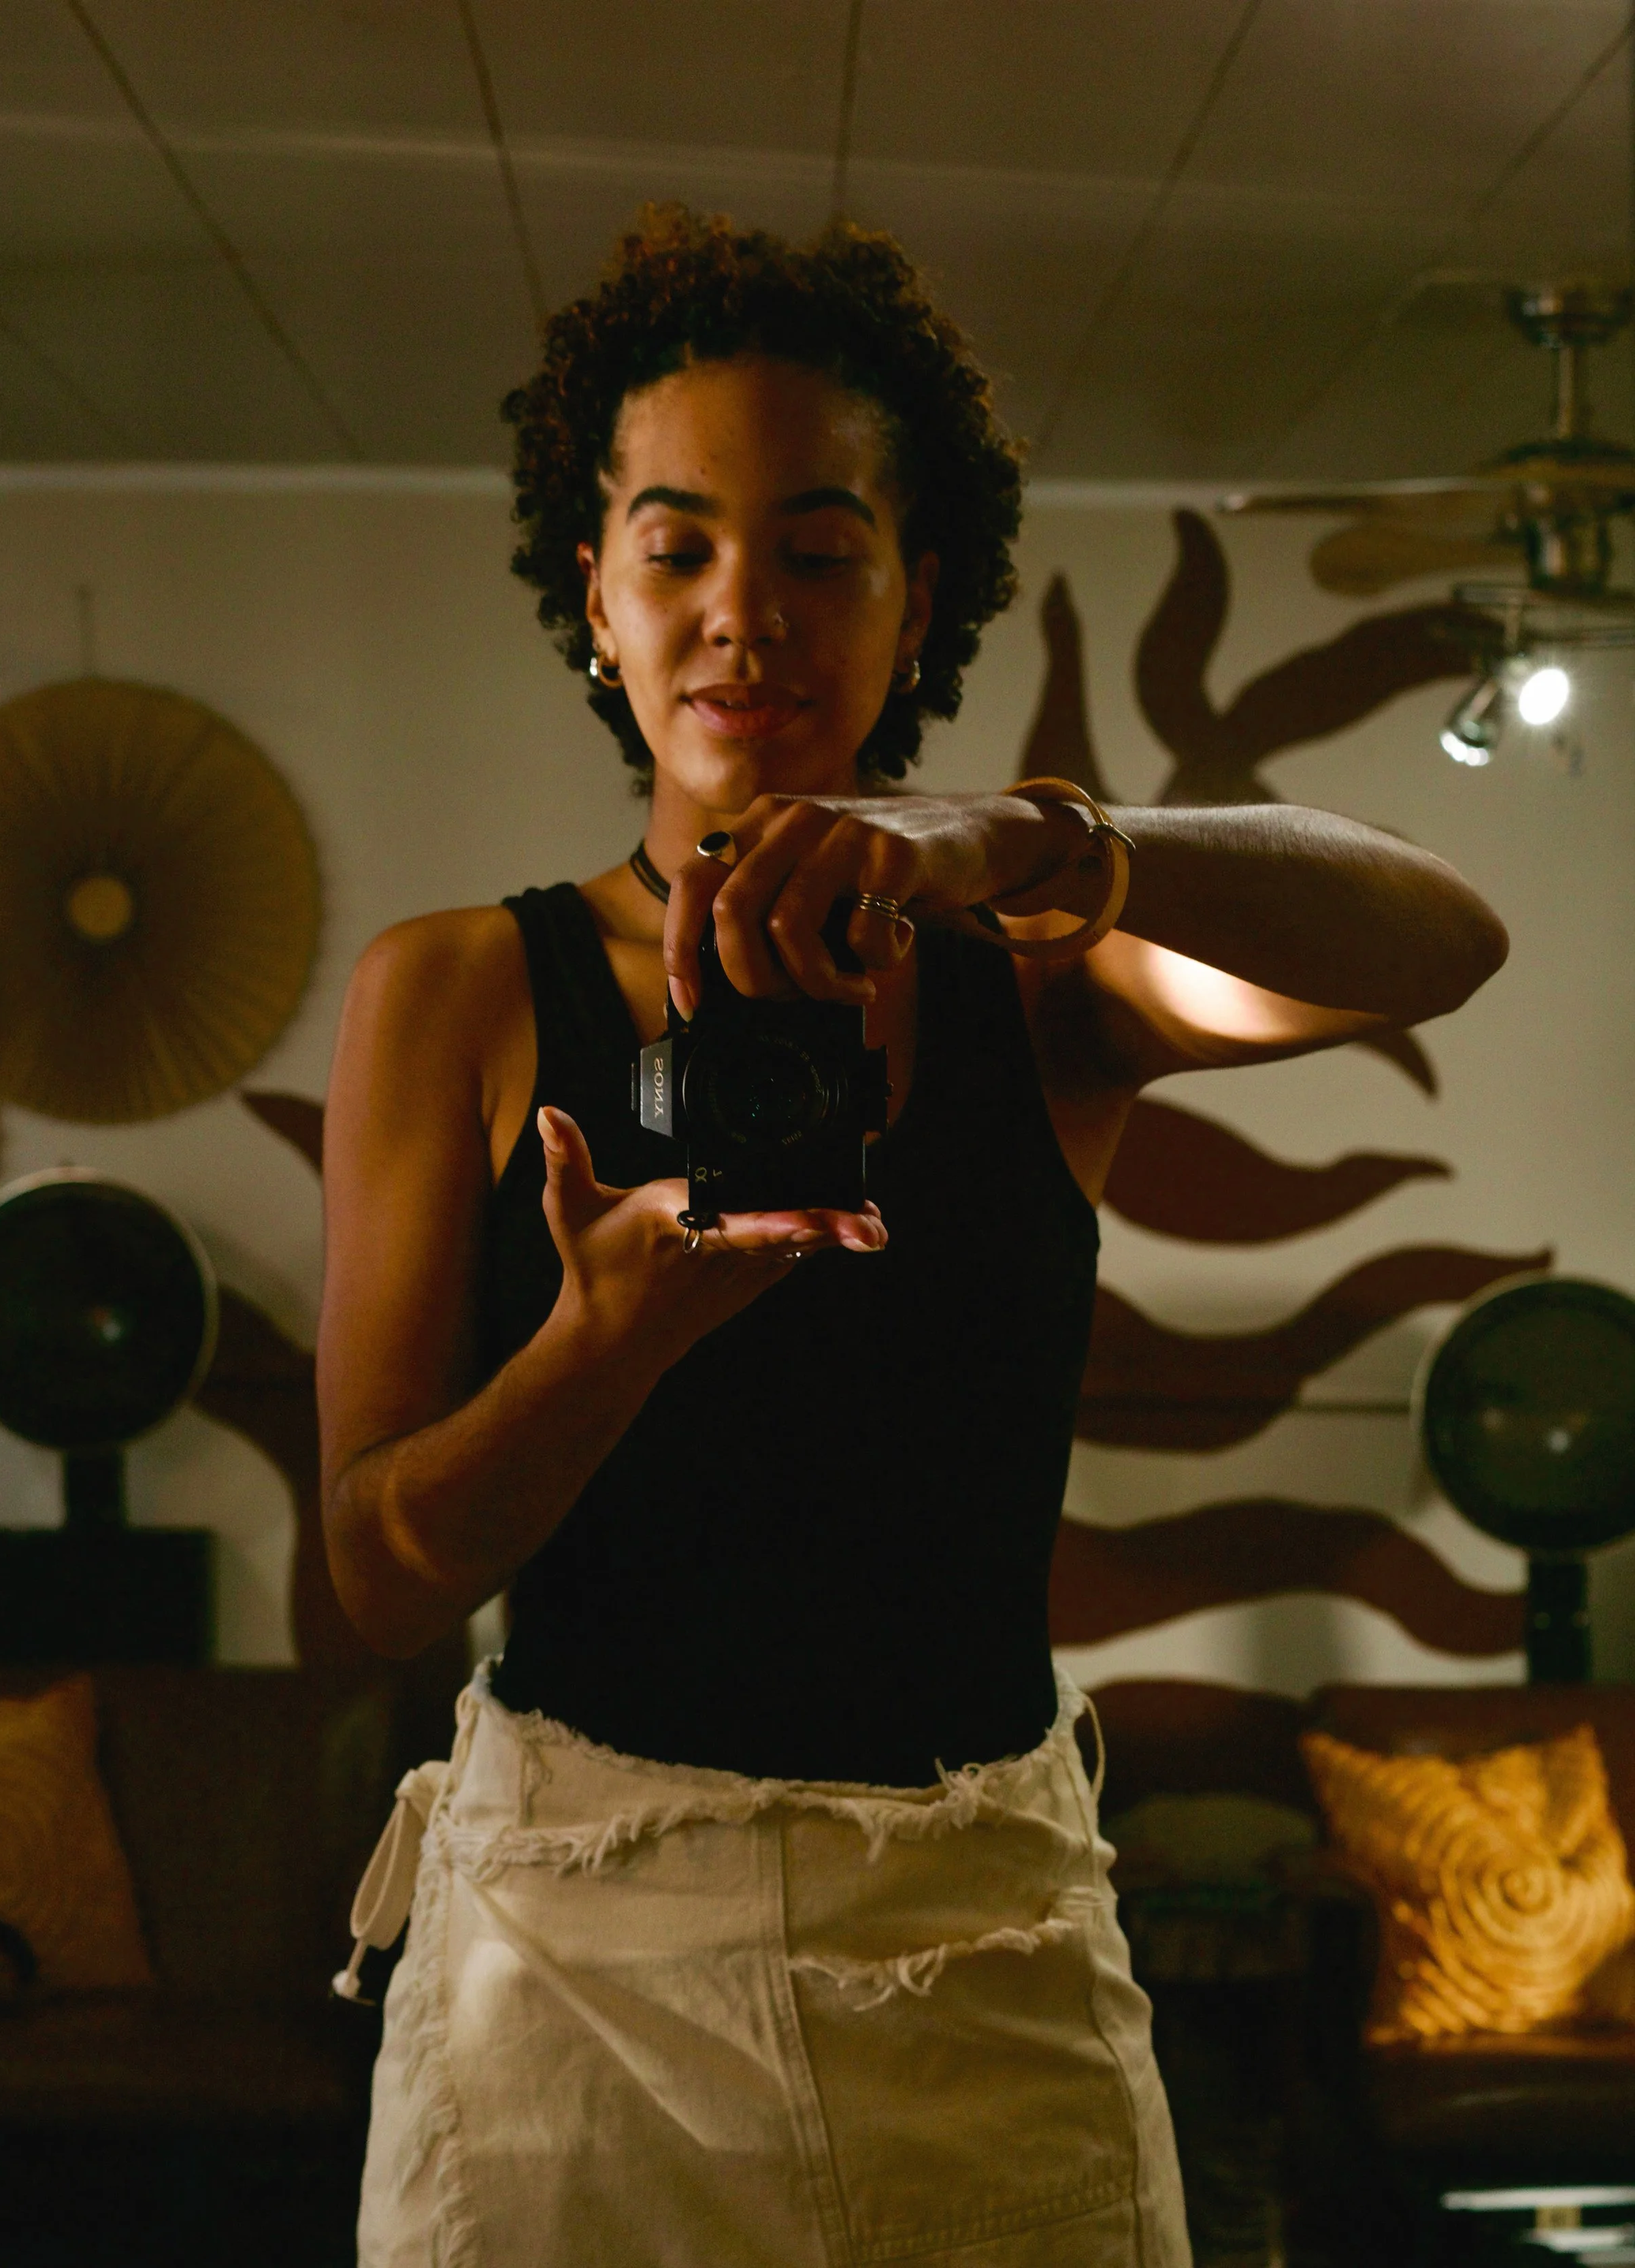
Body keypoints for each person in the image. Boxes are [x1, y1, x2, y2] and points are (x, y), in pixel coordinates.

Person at [318, 210, 1506, 2268]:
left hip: (988, 1949)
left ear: (914, 594)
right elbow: (370, 1574)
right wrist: (599, 1345)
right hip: (573, 1968)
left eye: (815, 547)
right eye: (673, 546)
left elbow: (1438, 939)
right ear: (591, 597)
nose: (738, 616)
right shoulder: (458, 993)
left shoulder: (1046, 976)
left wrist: (1035, 836)